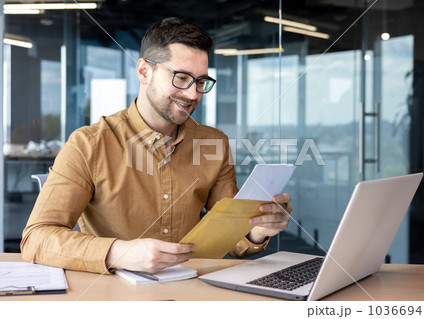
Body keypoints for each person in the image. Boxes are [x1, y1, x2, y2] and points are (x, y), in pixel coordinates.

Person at [21, 17, 292, 275]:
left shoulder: (214, 143)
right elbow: (36, 237)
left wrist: (258, 229)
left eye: (200, 81)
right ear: (144, 71)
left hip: (190, 290)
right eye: (182, 78)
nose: (193, 94)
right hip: (112, 294)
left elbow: (229, 233)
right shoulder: (89, 144)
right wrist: (120, 253)